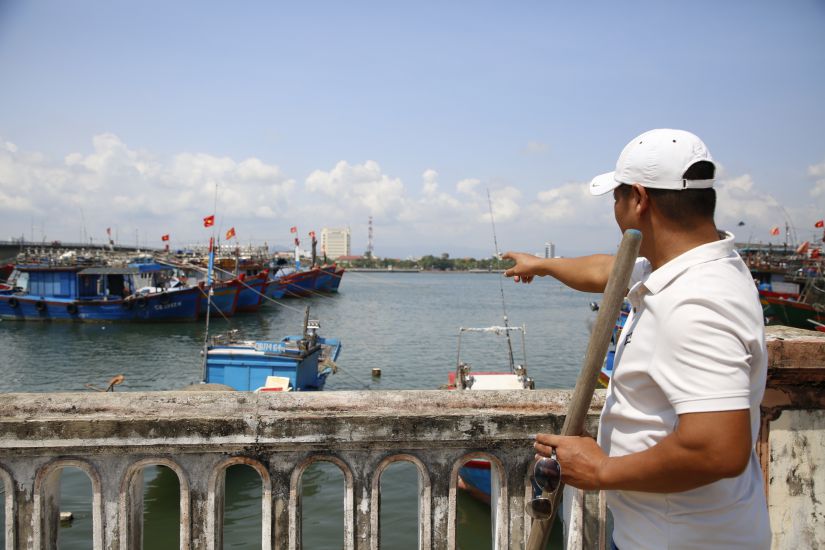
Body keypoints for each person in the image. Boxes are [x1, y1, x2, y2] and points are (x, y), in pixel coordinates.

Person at [503, 129, 770, 549]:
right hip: (663, 531)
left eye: (616, 197)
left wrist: (601, 470)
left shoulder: (695, 302)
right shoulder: (686, 266)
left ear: (640, 199)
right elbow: (606, 271)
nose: (615, 208)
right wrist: (544, 265)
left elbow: (719, 449)